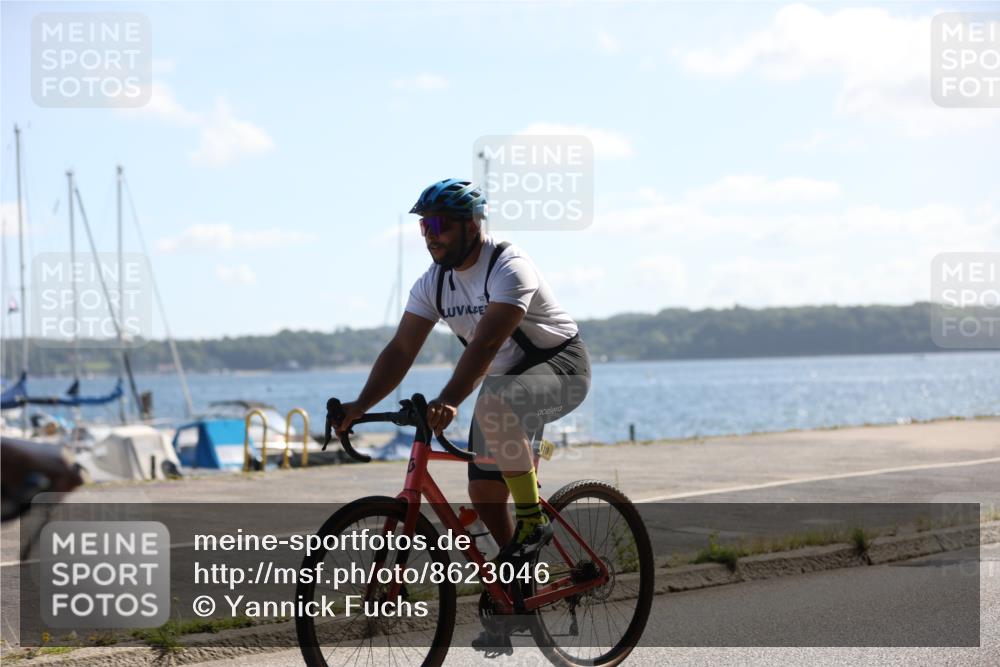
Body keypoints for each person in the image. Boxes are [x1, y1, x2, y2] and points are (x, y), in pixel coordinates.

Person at [334, 178, 590, 562]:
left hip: (561, 366)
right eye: (424, 226)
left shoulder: (509, 266)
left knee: (494, 408)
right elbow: (402, 349)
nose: (430, 236)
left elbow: (486, 344)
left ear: (472, 225)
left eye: (439, 226)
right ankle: (515, 580)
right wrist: (359, 404)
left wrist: (450, 400)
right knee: (485, 495)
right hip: (503, 381)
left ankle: (533, 523)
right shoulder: (433, 284)